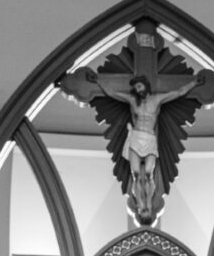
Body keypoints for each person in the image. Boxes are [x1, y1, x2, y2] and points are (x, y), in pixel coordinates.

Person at [87, 70, 204, 217]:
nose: (138, 89)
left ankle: (148, 202)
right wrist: (98, 81)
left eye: (140, 86)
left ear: (146, 86)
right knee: (136, 175)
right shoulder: (132, 101)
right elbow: (112, 93)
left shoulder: (157, 100)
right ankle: (140, 204)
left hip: (149, 139)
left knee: (148, 175)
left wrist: (194, 83)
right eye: (136, 88)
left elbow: (179, 92)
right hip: (136, 138)